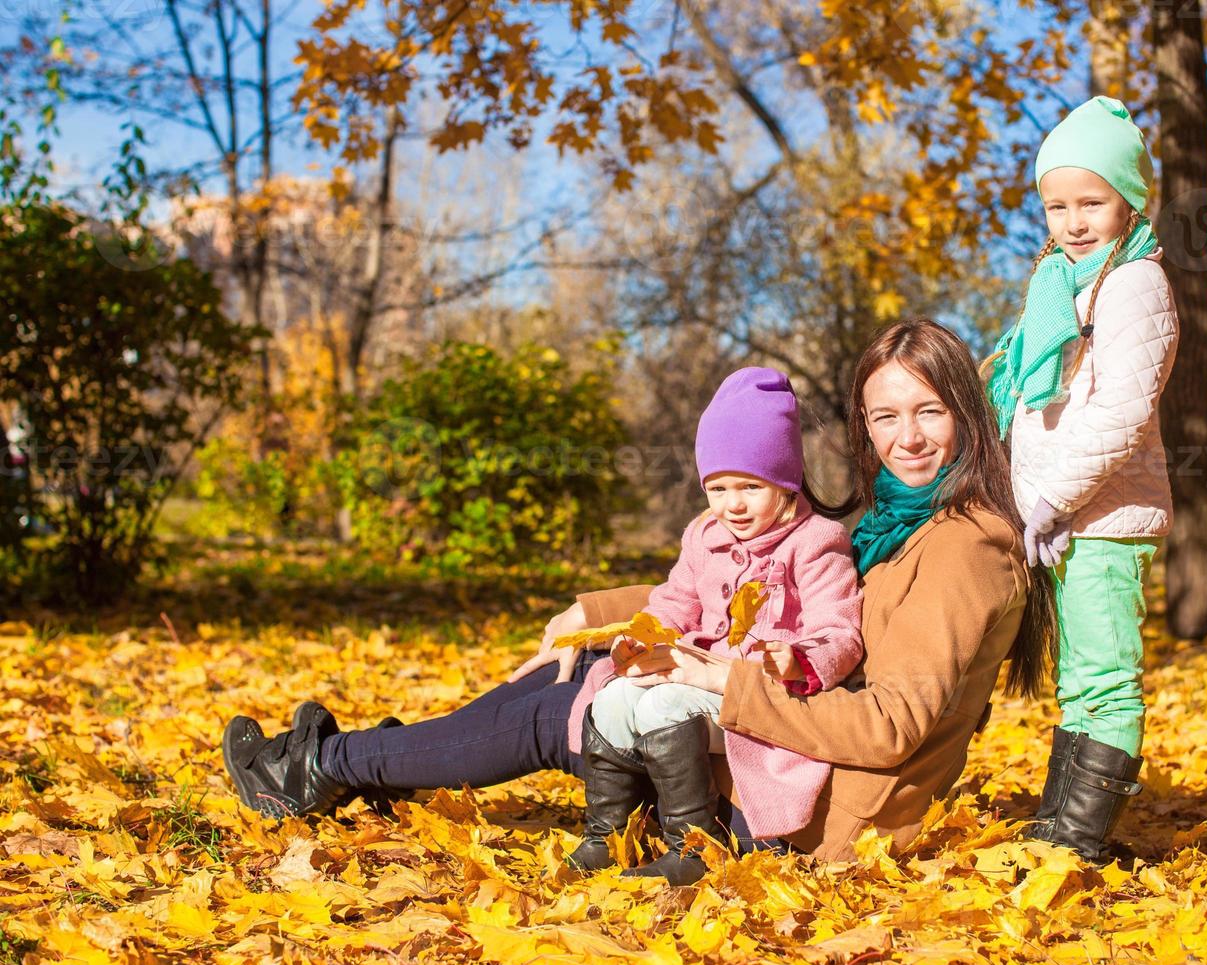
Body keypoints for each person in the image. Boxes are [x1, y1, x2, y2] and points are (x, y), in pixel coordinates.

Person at [221, 319, 1056, 869]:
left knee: (558, 711)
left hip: (808, 807)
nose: (906, 437)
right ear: (861, 426)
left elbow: (890, 726)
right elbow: (755, 593)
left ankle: (322, 768)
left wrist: (721, 683)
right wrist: (598, 612)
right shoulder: (904, 523)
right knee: (563, 679)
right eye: (883, 417)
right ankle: (357, 768)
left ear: (968, 415)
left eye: (929, 411)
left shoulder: (962, 549)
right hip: (784, 757)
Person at [565, 367, 863, 885]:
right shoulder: (704, 535)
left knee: (662, 703)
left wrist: (801, 658)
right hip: (694, 674)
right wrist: (646, 634)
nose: (733, 504)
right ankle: (606, 836)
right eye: (718, 488)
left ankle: (693, 846)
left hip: (760, 696)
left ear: (786, 482)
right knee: (613, 697)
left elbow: (839, 627)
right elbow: (674, 601)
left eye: (751, 486)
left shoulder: (815, 541)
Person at [981, 96, 1180, 861]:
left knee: (1104, 680)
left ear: (1129, 200)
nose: (1073, 221)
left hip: (1102, 517)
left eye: (1091, 201)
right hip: (1061, 517)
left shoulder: (1135, 286)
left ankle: (1079, 843)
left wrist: (1048, 500)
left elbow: (1121, 415)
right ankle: (1061, 824)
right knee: (1080, 678)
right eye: (1057, 204)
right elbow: (1032, 407)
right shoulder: (1060, 285)